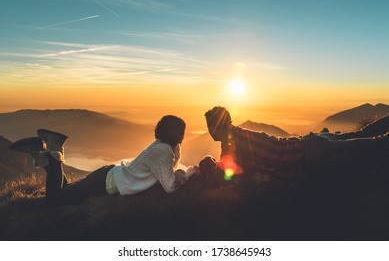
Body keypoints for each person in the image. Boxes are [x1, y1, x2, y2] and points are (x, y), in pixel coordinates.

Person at [9, 115, 197, 205]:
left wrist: (179, 168)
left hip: (108, 175)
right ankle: (55, 151)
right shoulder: (164, 150)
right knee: (54, 199)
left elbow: (169, 166)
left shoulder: (161, 145)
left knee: (65, 192)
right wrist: (189, 172)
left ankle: (41, 153)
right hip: (107, 183)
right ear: (180, 134)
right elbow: (170, 186)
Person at [199, 106, 389, 187]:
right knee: (362, 134)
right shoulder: (237, 134)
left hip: (311, 149)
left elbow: (219, 178)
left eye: (210, 126)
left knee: (375, 143)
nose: (209, 131)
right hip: (310, 143)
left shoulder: (231, 143)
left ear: (217, 126)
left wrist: (206, 160)